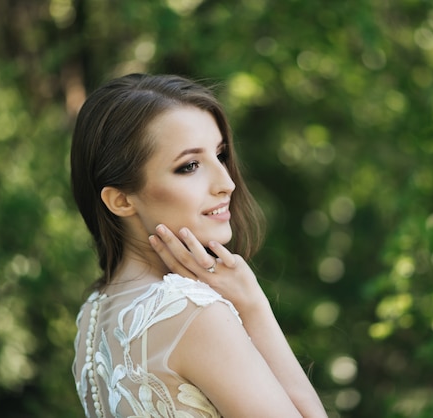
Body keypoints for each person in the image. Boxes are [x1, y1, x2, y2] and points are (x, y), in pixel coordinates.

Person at [70, 73, 328, 417]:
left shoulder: (93, 315)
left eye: (220, 155)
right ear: (120, 200)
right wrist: (253, 306)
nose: (227, 183)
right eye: (189, 166)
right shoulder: (192, 311)